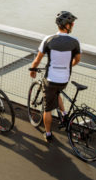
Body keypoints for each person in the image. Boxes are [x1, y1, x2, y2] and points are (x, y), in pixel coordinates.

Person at [29, 11, 81, 143]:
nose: (73, 25)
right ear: (66, 25)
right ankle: (64, 115)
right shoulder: (75, 42)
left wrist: (33, 69)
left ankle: (48, 133)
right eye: (71, 23)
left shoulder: (48, 40)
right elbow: (77, 60)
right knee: (56, 92)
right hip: (64, 79)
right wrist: (68, 66)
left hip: (50, 79)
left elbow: (38, 59)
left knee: (47, 109)